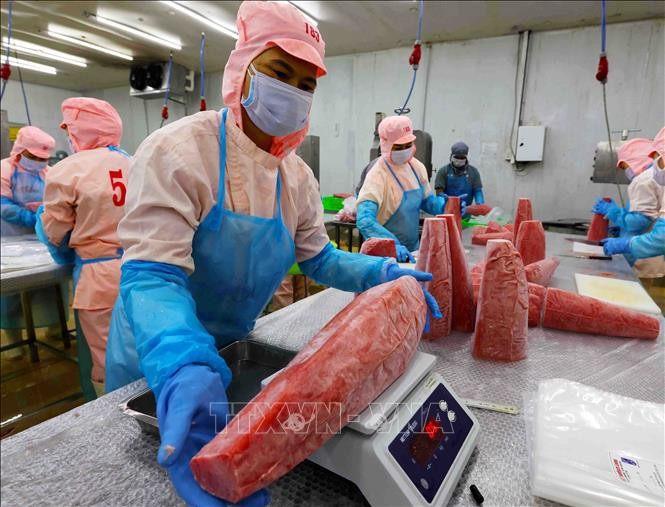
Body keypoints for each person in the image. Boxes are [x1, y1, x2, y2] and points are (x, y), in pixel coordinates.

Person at [104, 3, 440, 505]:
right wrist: (181, 364)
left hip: (232, 347)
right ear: (243, 72)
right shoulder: (179, 151)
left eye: (307, 84)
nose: (294, 93)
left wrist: (385, 271)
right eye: (280, 73)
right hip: (159, 359)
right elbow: (153, 276)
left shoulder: (296, 177)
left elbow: (320, 259)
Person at [36, 98, 130, 398]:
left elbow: (55, 231)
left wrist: (44, 225)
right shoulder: (135, 161)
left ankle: (109, 423)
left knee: (105, 357)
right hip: (143, 269)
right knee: (141, 346)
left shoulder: (67, 169)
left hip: (98, 278)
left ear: (78, 131)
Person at [0, 126, 63, 359]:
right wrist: (28, 216)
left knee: (49, 285)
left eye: (42, 158)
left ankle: (55, 328)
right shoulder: (4, 169)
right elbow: (2, 206)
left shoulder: (48, 172)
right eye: (33, 157)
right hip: (8, 238)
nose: (38, 162)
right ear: (20, 151)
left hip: (39, 237)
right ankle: (14, 339)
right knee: (10, 292)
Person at [356, 116, 446, 262]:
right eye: (399, 146)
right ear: (386, 144)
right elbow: (365, 220)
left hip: (413, 251)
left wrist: (444, 206)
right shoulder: (378, 174)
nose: (404, 150)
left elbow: (427, 201)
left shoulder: (416, 167)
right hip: (384, 256)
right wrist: (391, 245)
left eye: (408, 144)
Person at [602, 128, 665, 260]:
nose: (657, 165)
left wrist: (626, 243)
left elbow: (643, 222)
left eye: (658, 158)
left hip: (648, 257)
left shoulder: (642, 180)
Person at [434, 141, 484, 207]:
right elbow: (439, 192)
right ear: (451, 156)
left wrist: (479, 203)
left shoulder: (473, 172)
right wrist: (445, 200)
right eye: (457, 157)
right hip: (446, 210)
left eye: (462, 158)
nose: (459, 160)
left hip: (466, 211)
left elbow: (478, 191)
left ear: (466, 157)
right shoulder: (443, 171)